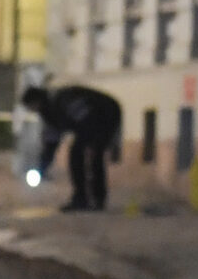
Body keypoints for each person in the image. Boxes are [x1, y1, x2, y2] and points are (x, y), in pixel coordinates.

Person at [20, 81, 123, 212]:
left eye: (31, 107)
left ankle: (93, 199)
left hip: (106, 113)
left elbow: (88, 119)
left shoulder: (63, 100)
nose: (32, 111)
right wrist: (42, 168)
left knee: (91, 154)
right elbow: (51, 144)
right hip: (89, 120)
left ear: (36, 101)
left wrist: (92, 142)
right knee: (78, 153)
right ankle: (84, 198)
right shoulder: (49, 113)